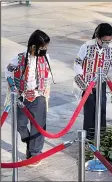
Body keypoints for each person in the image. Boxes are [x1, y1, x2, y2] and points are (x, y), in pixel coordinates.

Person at [5, 29, 54, 166]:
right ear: (34, 46)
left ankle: (35, 153)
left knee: (38, 126)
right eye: (42, 47)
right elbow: (8, 71)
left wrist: (43, 90)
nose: (44, 50)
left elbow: (48, 76)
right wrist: (13, 87)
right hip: (22, 96)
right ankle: (29, 141)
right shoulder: (19, 58)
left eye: (45, 47)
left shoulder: (46, 58)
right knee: (20, 124)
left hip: (38, 96)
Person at [73, 23, 112, 139]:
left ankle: (102, 137)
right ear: (97, 37)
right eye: (104, 41)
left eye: (109, 41)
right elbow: (77, 65)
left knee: (101, 110)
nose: (106, 44)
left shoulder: (111, 50)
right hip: (86, 84)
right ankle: (89, 138)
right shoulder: (86, 46)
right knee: (90, 111)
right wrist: (84, 85)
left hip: (101, 84)